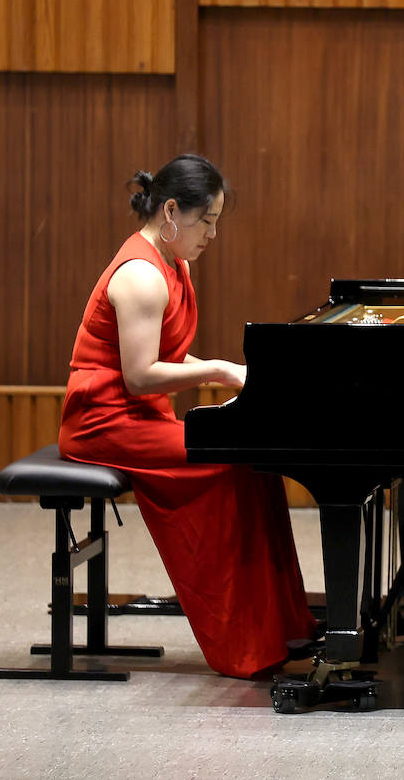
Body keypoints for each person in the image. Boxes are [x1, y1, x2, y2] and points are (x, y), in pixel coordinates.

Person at [58, 154, 318, 678]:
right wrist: (221, 371)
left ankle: (283, 629)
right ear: (172, 211)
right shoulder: (140, 276)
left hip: (138, 416)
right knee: (224, 466)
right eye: (208, 221)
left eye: (216, 223)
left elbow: (168, 359)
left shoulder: (174, 265)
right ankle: (246, 646)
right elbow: (139, 376)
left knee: (250, 461)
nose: (212, 235)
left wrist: (240, 373)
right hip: (102, 424)